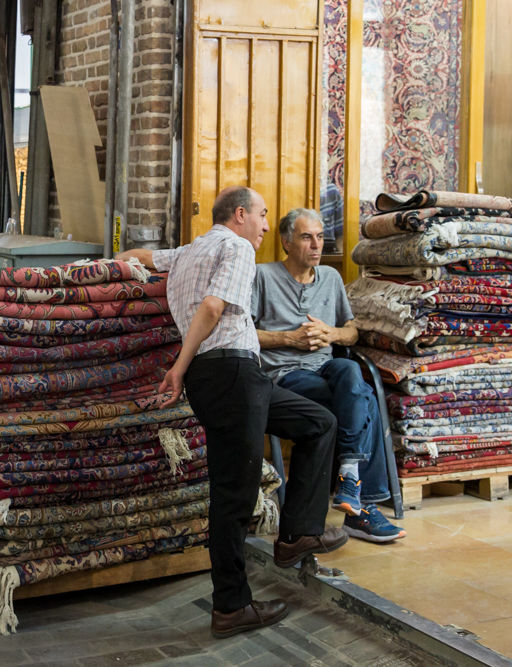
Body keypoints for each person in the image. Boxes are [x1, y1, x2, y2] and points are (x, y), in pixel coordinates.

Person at [118, 186, 347, 639]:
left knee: (319, 423)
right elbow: (212, 305)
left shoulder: (188, 252)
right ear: (240, 215)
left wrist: (105, 264)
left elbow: (143, 254)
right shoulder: (237, 246)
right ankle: (231, 605)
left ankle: (297, 534)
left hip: (231, 377)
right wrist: (178, 368)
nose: (266, 226)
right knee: (234, 495)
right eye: (262, 216)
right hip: (229, 373)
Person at [252, 208, 406, 543]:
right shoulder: (262, 276)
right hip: (286, 374)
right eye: (307, 237)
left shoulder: (332, 279)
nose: (317, 244)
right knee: (363, 398)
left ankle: (349, 474)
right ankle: (361, 506)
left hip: (327, 368)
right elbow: (243, 333)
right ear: (286, 242)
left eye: (321, 237)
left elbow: (351, 333)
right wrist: (288, 338)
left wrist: (331, 334)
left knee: (351, 370)